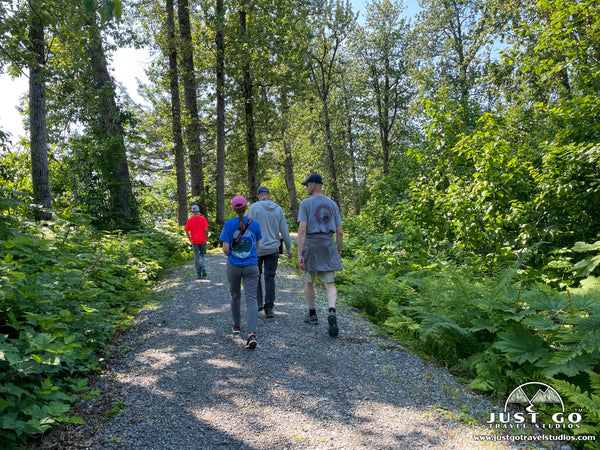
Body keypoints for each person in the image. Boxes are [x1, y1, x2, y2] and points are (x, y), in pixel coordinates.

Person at [297, 173, 343, 337]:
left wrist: (299, 253)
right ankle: (331, 310)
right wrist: (337, 251)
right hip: (327, 243)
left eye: (307, 185)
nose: (306, 188)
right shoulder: (333, 204)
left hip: (311, 243)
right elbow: (339, 232)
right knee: (329, 283)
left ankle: (313, 315)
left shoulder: (305, 204)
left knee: (309, 280)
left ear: (314, 184)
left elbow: (302, 230)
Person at [220, 196, 262, 349]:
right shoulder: (255, 224)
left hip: (234, 266)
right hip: (251, 266)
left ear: (233, 209)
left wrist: (233, 255)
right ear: (246, 207)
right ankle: (252, 333)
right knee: (251, 299)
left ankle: (236, 325)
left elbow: (225, 249)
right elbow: (256, 247)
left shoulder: (229, 224)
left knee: (235, 295)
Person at [248, 186, 293, 318]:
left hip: (257, 249)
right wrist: (289, 249)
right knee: (270, 277)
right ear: (268, 195)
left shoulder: (254, 208)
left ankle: (258, 303)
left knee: (255, 276)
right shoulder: (278, 209)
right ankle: (269, 308)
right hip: (273, 248)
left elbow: (249, 229)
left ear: (258, 195)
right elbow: (284, 230)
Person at [184, 205, 209, 278]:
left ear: (192, 212)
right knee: (203, 255)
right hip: (202, 240)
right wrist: (206, 237)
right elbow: (206, 229)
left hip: (194, 241)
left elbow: (186, 230)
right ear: (198, 211)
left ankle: (198, 273)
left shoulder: (190, 220)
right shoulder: (202, 218)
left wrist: (190, 238)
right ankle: (203, 267)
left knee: (196, 256)